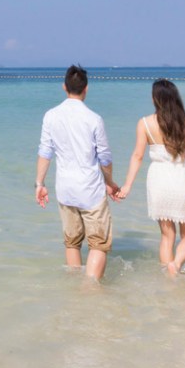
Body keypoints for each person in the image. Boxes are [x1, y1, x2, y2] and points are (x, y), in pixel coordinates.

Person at [117, 78, 185, 277]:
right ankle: (175, 265)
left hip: (158, 180)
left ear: (154, 99)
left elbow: (137, 156)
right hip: (181, 178)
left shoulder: (144, 123)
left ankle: (168, 276)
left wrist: (127, 185)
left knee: (167, 236)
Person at [36, 64, 120, 280]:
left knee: (72, 242)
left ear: (64, 87)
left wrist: (39, 183)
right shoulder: (94, 119)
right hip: (90, 190)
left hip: (65, 190)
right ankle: (90, 290)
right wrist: (109, 181)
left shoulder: (50, 116)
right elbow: (105, 158)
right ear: (86, 89)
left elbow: (45, 152)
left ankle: (75, 291)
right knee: (98, 244)